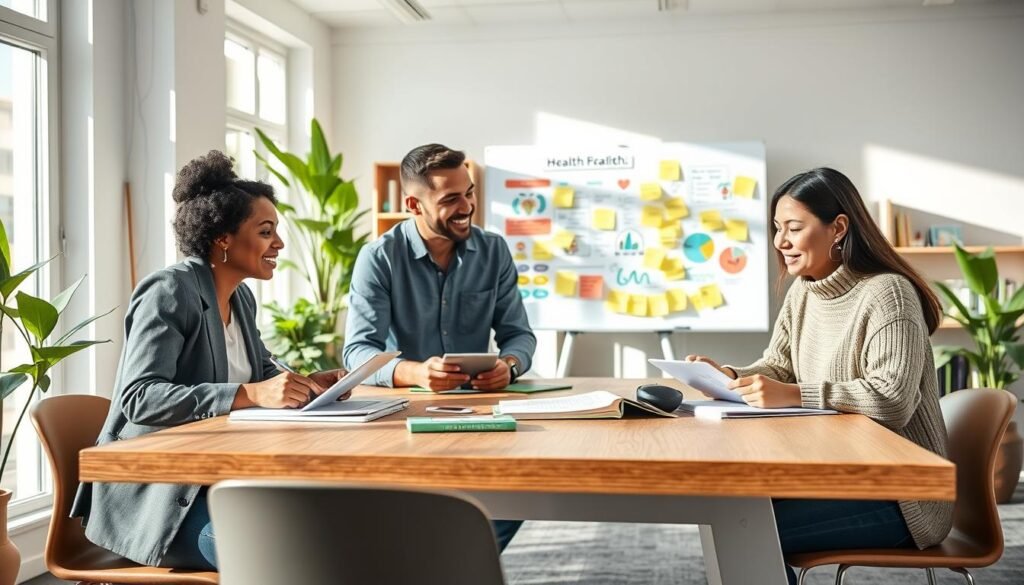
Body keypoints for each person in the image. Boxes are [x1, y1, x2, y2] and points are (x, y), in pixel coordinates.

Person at [71, 150, 348, 570]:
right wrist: (248, 393)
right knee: (286, 557)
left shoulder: (242, 298)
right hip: (159, 498)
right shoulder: (169, 291)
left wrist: (306, 383)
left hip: (220, 479)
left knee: (332, 535)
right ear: (223, 238)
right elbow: (140, 398)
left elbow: (260, 371)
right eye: (266, 231)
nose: (279, 244)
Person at [684, 168, 952, 585]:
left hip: (905, 496)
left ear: (838, 228)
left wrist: (793, 394)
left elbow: (892, 400)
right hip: (838, 474)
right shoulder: (804, 291)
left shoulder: (888, 293)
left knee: (744, 527)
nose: (780, 242)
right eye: (776, 228)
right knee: (732, 508)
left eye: (794, 227)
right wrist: (731, 375)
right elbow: (778, 366)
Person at [343, 143, 536, 550]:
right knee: (407, 514)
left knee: (521, 488)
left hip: (482, 411)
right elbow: (357, 351)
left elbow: (519, 334)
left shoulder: (494, 250)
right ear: (413, 203)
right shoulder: (379, 257)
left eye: (469, 193)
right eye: (451, 198)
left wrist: (511, 365)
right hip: (402, 417)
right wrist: (416, 372)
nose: (467, 205)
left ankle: (455, 565)